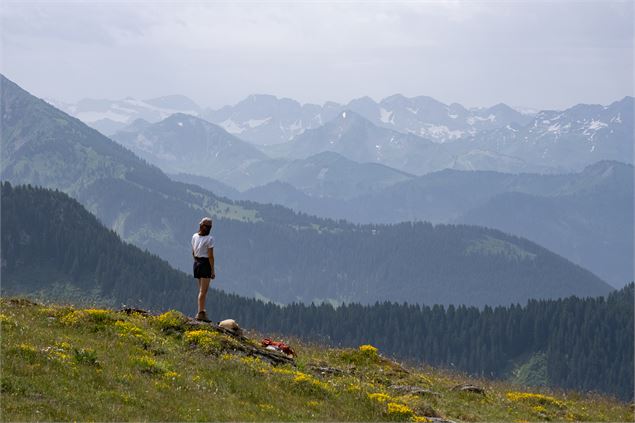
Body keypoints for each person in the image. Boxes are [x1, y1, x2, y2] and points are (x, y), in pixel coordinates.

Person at [191, 217, 216, 322]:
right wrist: (212, 270)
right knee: (203, 291)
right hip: (205, 264)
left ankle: (201, 311)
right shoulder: (210, 239)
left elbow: (193, 251)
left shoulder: (195, 236)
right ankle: (200, 312)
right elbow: (210, 256)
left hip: (196, 263)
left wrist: (197, 261)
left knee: (200, 290)